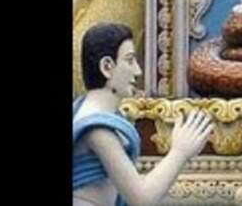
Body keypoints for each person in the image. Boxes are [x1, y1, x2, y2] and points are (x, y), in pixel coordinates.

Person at [73, 23, 214, 206]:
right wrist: (180, 152)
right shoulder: (98, 129)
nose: (138, 71)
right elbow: (142, 197)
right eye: (130, 60)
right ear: (107, 66)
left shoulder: (84, 110)